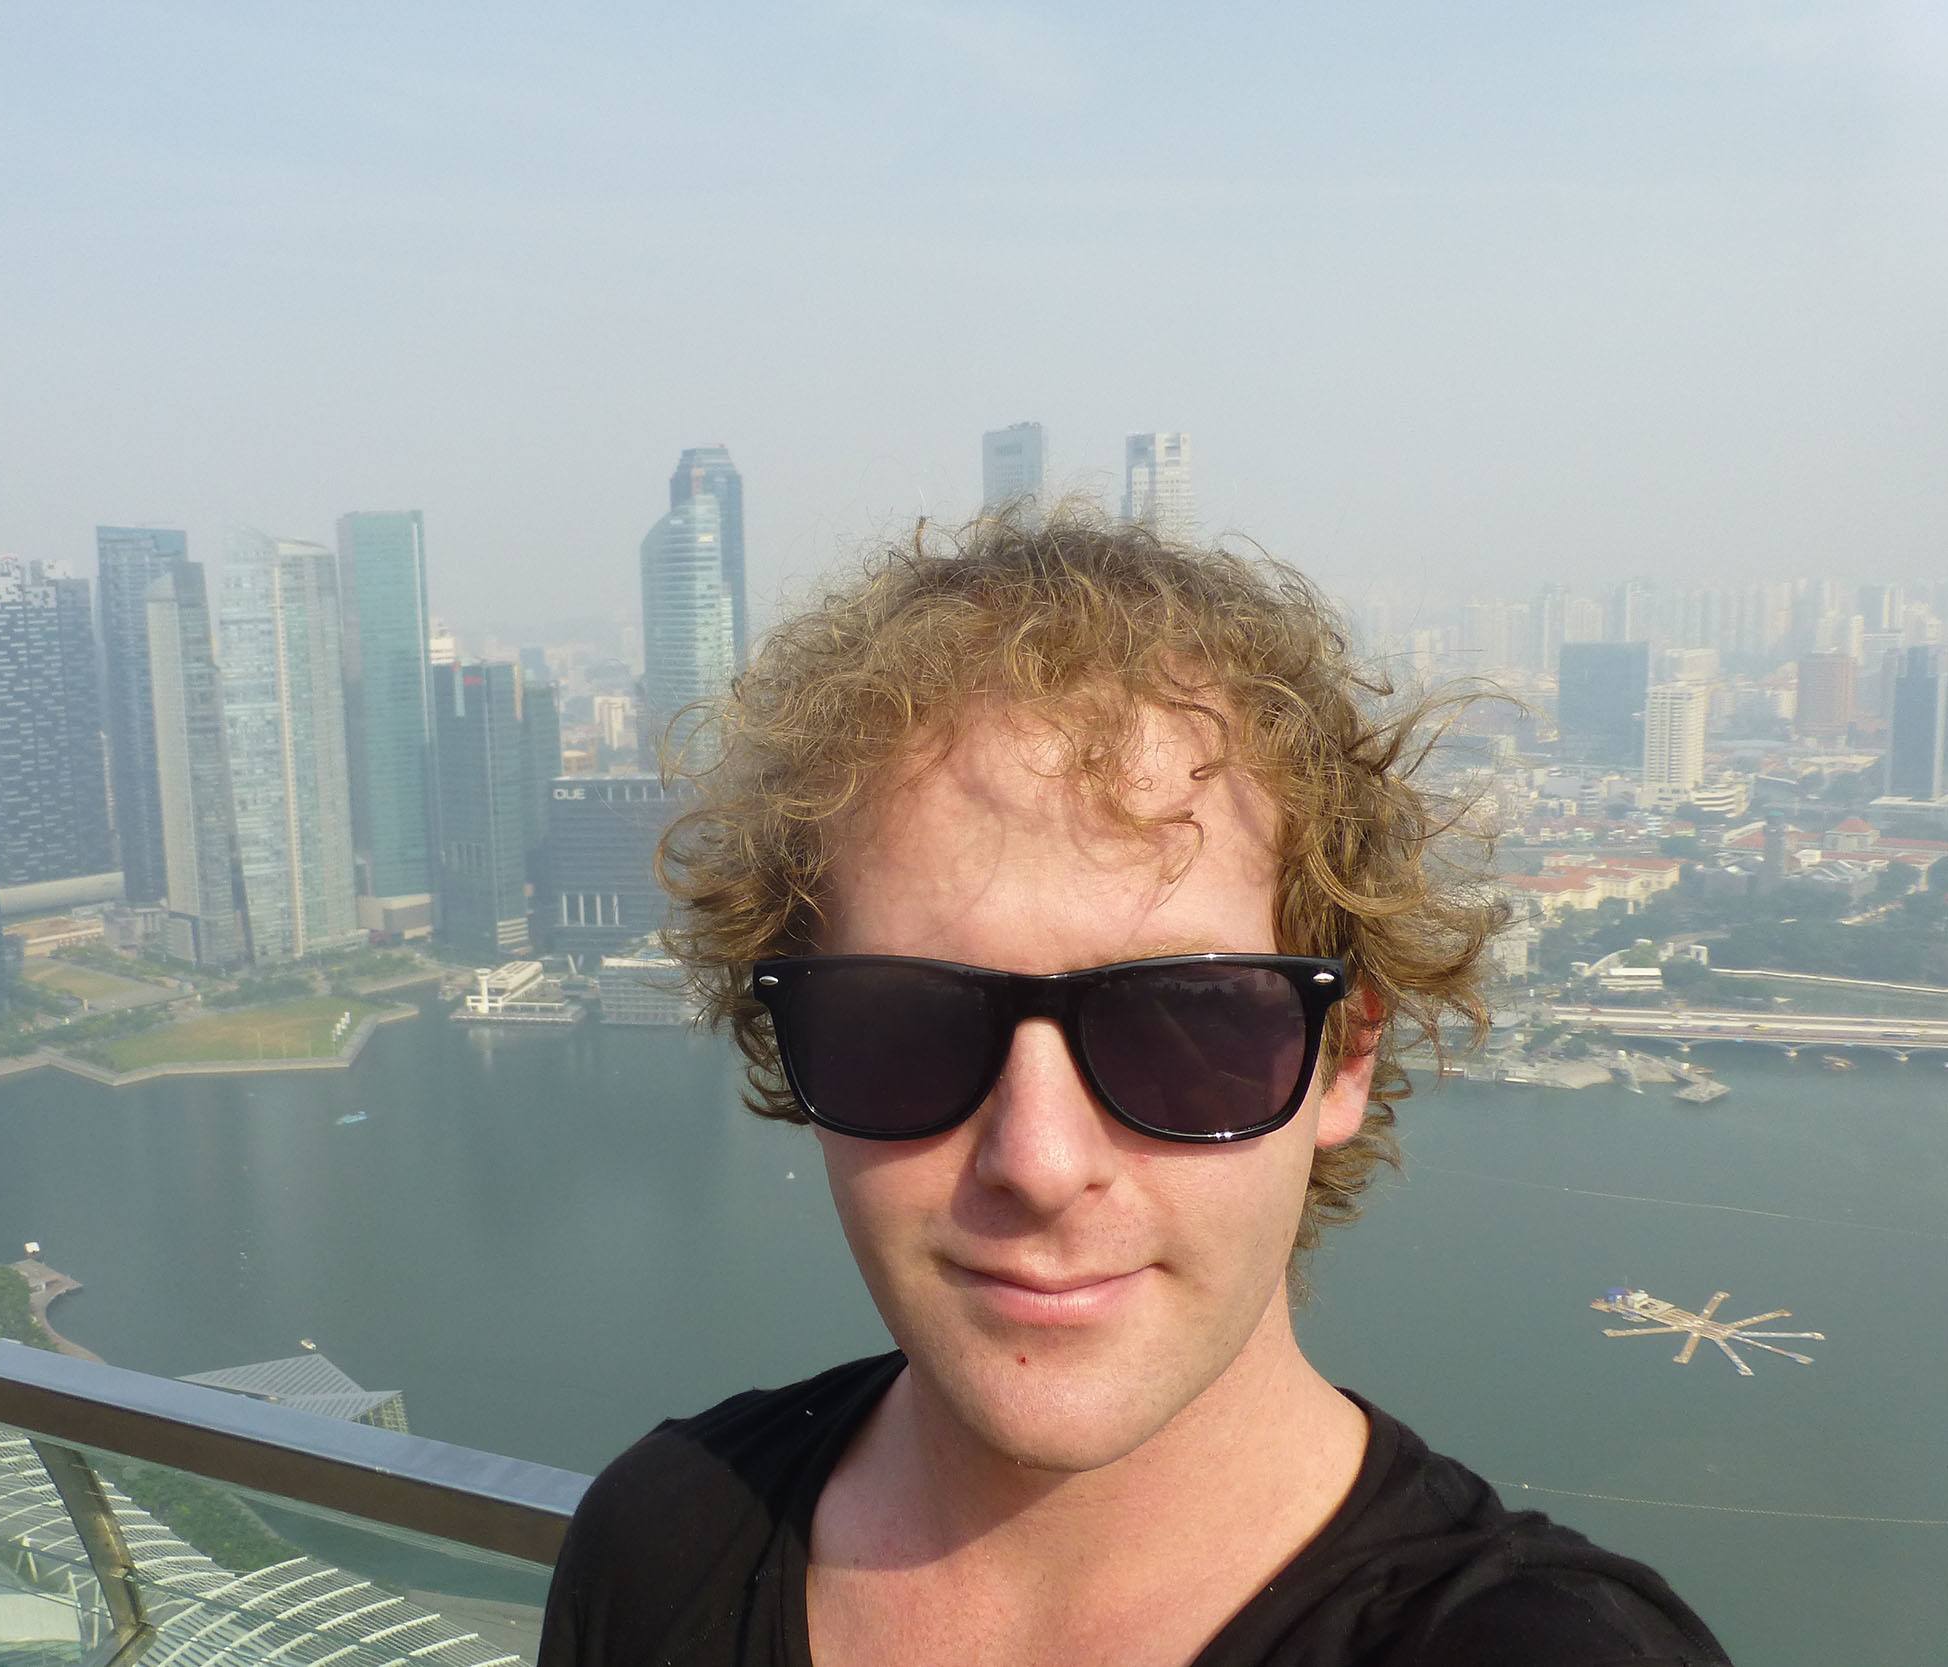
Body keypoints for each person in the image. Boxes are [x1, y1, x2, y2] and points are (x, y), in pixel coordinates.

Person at [536, 512, 1726, 1666]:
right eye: (900, 1024)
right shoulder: (664, 1541)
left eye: (1186, 1020)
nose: (1040, 1159)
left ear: (1343, 1057)